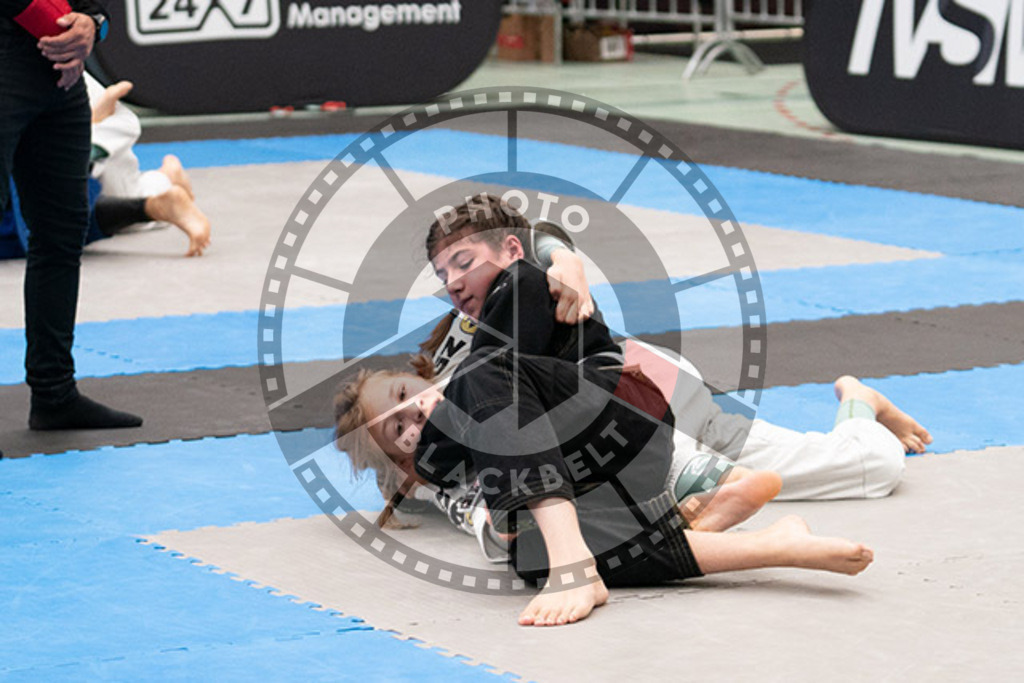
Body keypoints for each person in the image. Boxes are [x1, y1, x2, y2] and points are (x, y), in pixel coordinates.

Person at [335, 229, 875, 627]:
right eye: (400, 429)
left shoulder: (466, 341)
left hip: (642, 394)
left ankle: (843, 407)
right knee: (527, 549)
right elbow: (436, 488)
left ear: (415, 372)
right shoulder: (431, 469)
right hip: (613, 454)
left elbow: (525, 244)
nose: (415, 418)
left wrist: (565, 258)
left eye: (406, 397)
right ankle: (773, 530)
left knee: (863, 466)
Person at [1, 0, 142, 430]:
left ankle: (54, 393)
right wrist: (64, 35)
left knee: (62, 233)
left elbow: (94, 6)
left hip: (58, 80)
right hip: (26, 55)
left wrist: (91, 25)